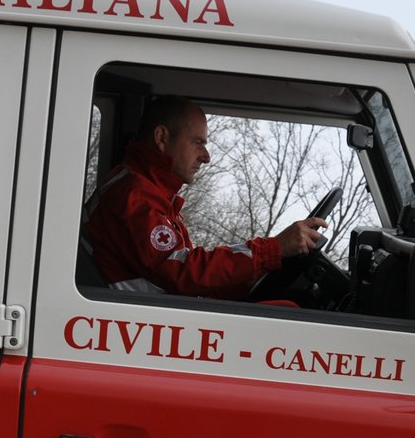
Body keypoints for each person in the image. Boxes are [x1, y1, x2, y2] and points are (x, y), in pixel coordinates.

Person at [83, 96, 326, 298]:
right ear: (162, 138)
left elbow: (187, 275)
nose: (206, 156)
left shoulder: (153, 193)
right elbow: (185, 272)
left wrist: (249, 279)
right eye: (197, 143)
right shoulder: (133, 194)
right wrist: (272, 250)